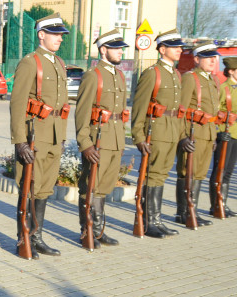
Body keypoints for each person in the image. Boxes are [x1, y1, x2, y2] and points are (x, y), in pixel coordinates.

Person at [10, 14, 71, 257]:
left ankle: (37, 236)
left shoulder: (59, 63)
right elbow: (17, 103)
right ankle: (23, 239)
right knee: (29, 187)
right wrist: (19, 141)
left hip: (54, 135)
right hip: (34, 134)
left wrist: (63, 136)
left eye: (61, 35)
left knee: (44, 188)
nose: (59, 38)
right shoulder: (30, 62)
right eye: (55, 34)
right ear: (41, 34)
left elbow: (62, 103)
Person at [130, 29, 189, 238]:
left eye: (180, 47)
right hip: (155, 131)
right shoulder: (152, 73)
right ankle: (148, 222)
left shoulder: (175, 74)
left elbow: (178, 110)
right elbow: (139, 107)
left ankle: (156, 219)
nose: (179, 50)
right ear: (162, 49)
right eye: (175, 47)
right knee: (152, 174)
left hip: (171, 131)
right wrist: (138, 136)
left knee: (162, 174)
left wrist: (182, 135)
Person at [75, 32, 130, 247]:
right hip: (98, 140)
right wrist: (85, 143)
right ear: (103, 50)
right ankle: (86, 232)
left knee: (104, 187)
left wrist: (122, 141)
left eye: (121, 48)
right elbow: (82, 113)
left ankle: (98, 231)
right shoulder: (93, 76)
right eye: (115, 48)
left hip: (114, 140)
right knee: (91, 186)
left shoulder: (119, 75)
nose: (120, 51)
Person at [174, 41, 220, 226]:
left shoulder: (213, 79)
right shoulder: (190, 78)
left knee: (200, 173)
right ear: (196, 59)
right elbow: (181, 110)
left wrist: (214, 135)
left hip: (207, 132)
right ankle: (183, 212)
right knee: (188, 172)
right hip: (193, 132)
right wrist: (182, 136)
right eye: (207, 57)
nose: (212, 60)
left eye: (213, 57)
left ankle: (192, 209)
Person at [211, 57, 237, 215]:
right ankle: (215, 205)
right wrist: (218, 133)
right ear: (231, 71)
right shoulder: (223, 88)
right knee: (219, 170)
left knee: (228, 171)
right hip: (225, 133)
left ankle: (223, 204)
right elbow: (214, 113)